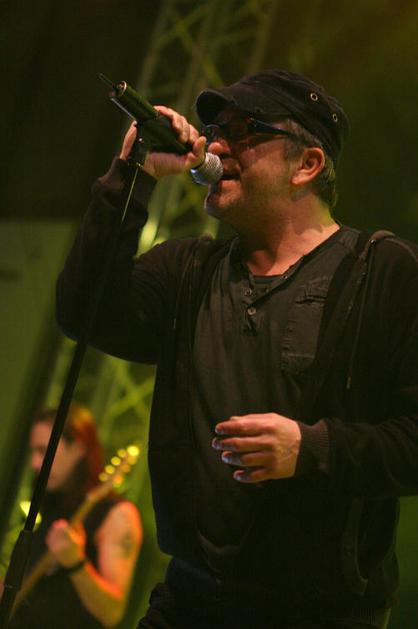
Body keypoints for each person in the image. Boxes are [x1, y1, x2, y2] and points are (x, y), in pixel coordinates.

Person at [56, 70, 418, 628]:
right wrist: (132, 174)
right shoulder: (189, 269)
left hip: (322, 614)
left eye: (244, 130)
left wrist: (312, 448)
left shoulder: (384, 272)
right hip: (189, 601)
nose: (217, 145)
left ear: (307, 165)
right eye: (214, 130)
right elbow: (83, 313)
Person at [10, 403, 142, 628]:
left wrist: (76, 563)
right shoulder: (54, 508)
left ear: (78, 448)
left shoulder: (117, 514)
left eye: (44, 451)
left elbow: (112, 612)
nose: (35, 463)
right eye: (34, 451)